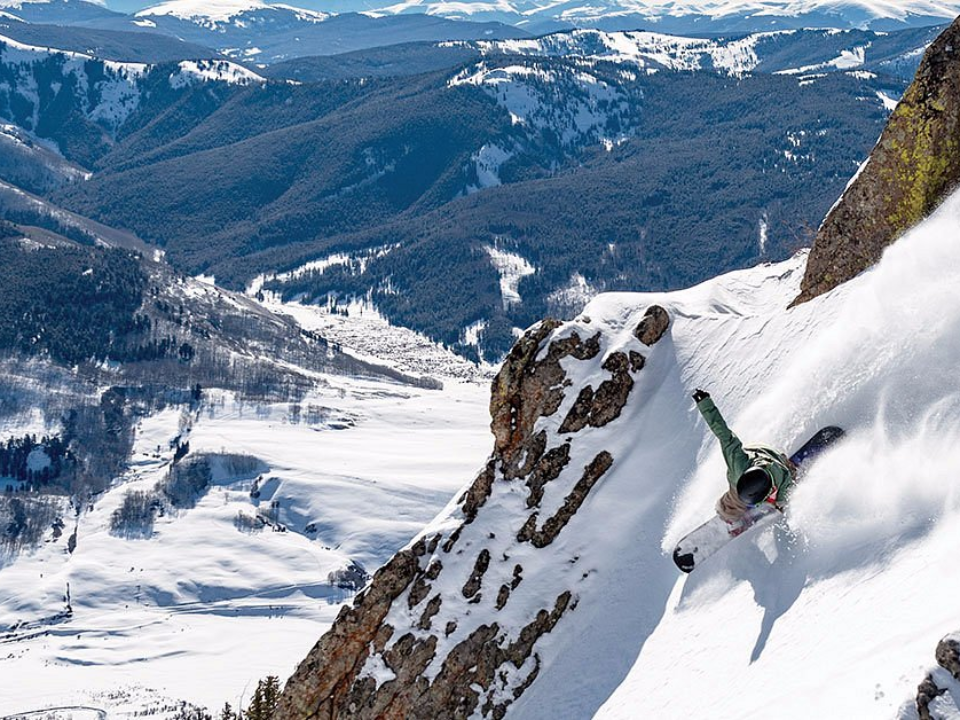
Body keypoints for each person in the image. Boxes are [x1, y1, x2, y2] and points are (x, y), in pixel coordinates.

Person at [692, 389, 797, 523]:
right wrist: (705, 404)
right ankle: (727, 513)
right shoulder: (737, 465)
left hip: (771, 455)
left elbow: (786, 479)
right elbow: (724, 435)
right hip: (753, 453)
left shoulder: (779, 473)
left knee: (790, 480)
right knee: (734, 503)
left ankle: (779, 489)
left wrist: (781, 501)